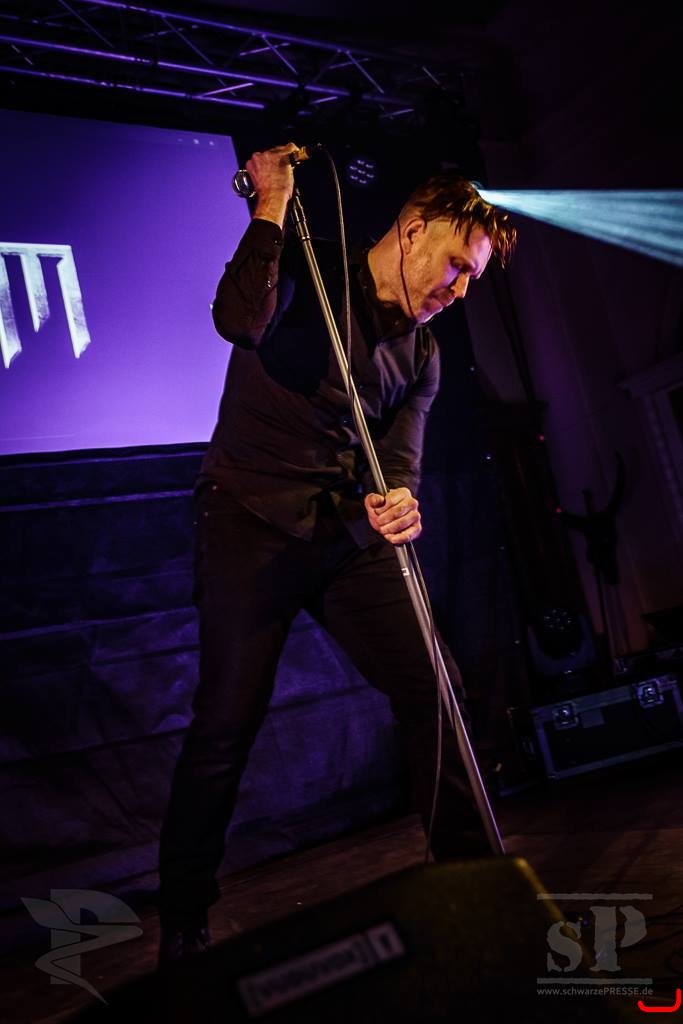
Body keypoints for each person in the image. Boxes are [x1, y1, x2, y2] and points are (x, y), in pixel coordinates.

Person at [157, 143, 516, 963]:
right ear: (413, 231)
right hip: (246, 518)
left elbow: (398, 465)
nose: (457, 291)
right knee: (226, 721)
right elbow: (237, 321)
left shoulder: (421, 356)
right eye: (456, 267)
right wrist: (270, 205)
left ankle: (474, 883)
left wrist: (402, 504)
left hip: (341, 533)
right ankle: (182, 917)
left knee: (433, 687)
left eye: (471, 280)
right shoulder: (308, 270)